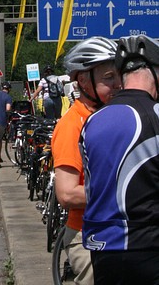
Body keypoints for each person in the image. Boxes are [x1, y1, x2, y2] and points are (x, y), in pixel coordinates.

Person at [79, 35, 159, 285]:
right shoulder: (155, 115)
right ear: (155, 72)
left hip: (103, 249)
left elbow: (92, 186)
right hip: (149, 245)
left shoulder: (92, 121)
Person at [51, 36, 120, 285]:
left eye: (120, 75)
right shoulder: (73, 124)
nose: (118, 83)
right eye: (109, 77)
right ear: (83, 81)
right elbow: (67, 194)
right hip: (88, 234)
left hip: (122, 231)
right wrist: (127, 194)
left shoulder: (114, 116)